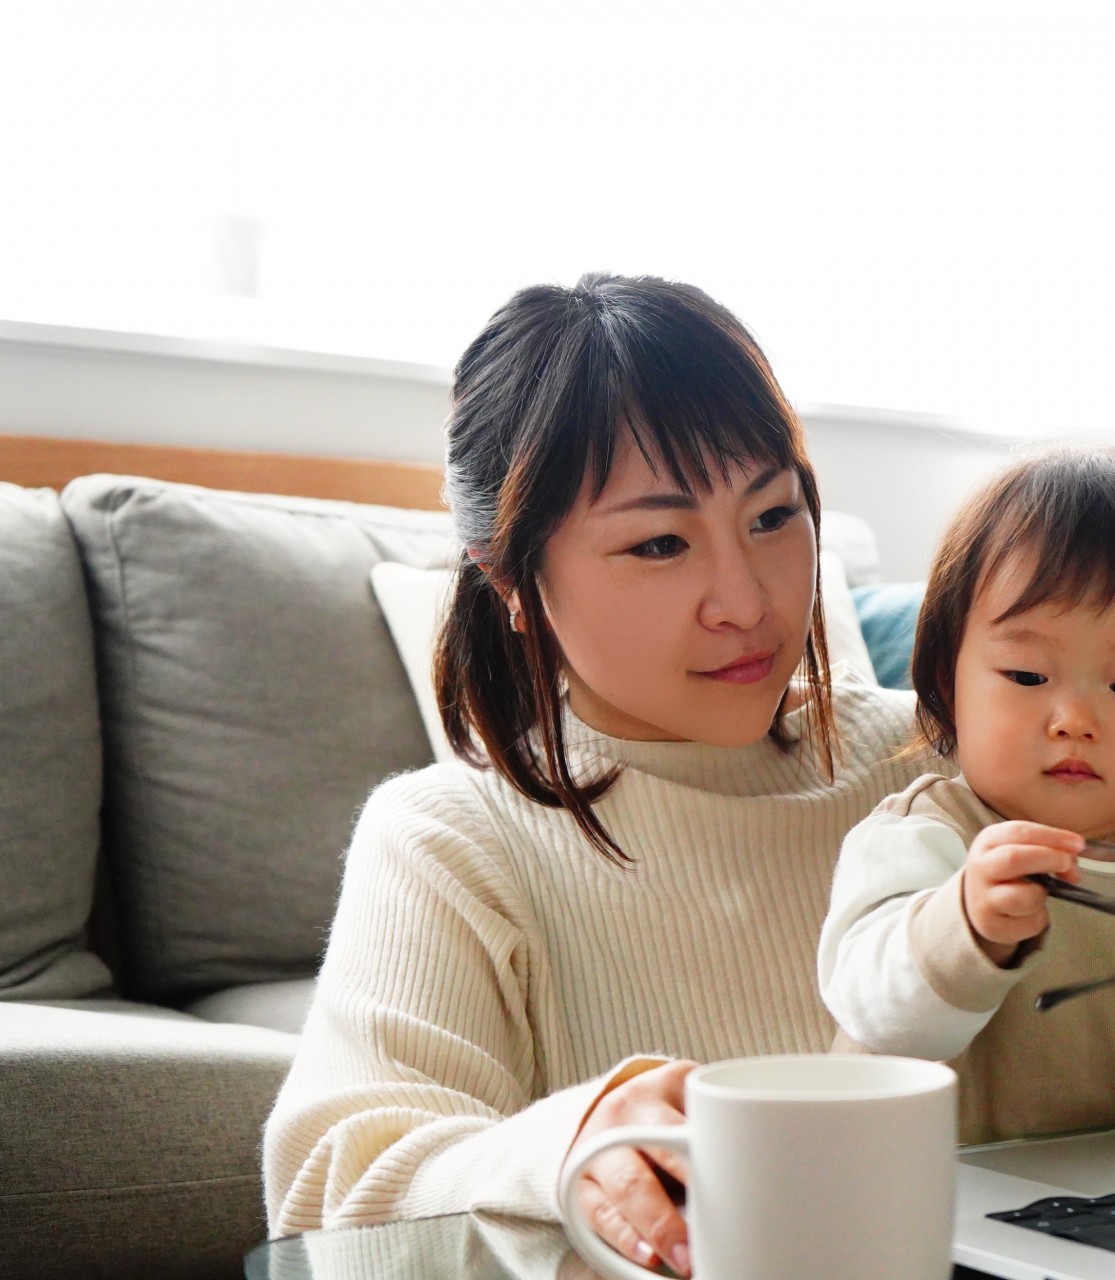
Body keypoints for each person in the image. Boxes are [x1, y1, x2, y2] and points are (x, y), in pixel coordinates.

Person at [262, 274, 939, 1278]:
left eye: (772, 515)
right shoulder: (450, 836)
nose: (745, 599)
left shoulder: (939, 767)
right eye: (659, 542)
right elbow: (335, 1209)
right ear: (514, 583)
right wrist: (565, 1142)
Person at [817, 446, 1115, 1146]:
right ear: (946, 680)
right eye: (1026, 674)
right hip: (962, 1211)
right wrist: (965, 926)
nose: (1074, 719)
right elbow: (877, 1015)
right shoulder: (923, 838)